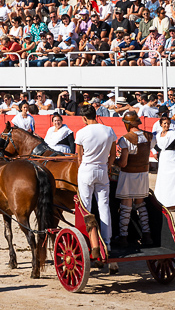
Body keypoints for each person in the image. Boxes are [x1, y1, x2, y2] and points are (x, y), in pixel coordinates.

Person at [75, 104, 117, 251]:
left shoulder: (81, 132)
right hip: (103, 169)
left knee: (86, 207)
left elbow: (79, 157)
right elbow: (113, 155)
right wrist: (108, 166)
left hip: (87, 169)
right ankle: (107, 243)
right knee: (104, 206)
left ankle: (89, 243)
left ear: (84, 118)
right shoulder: (109, 130)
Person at [113, 111, 153, 248]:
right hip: (143, 174)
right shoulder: (149, 136)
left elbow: (123, 163)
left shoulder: (125, 139)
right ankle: (147, 235)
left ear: (127, 124)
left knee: (126, 205)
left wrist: (115, 161)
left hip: (128, 175)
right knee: (141, 204)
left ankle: (123, 236)